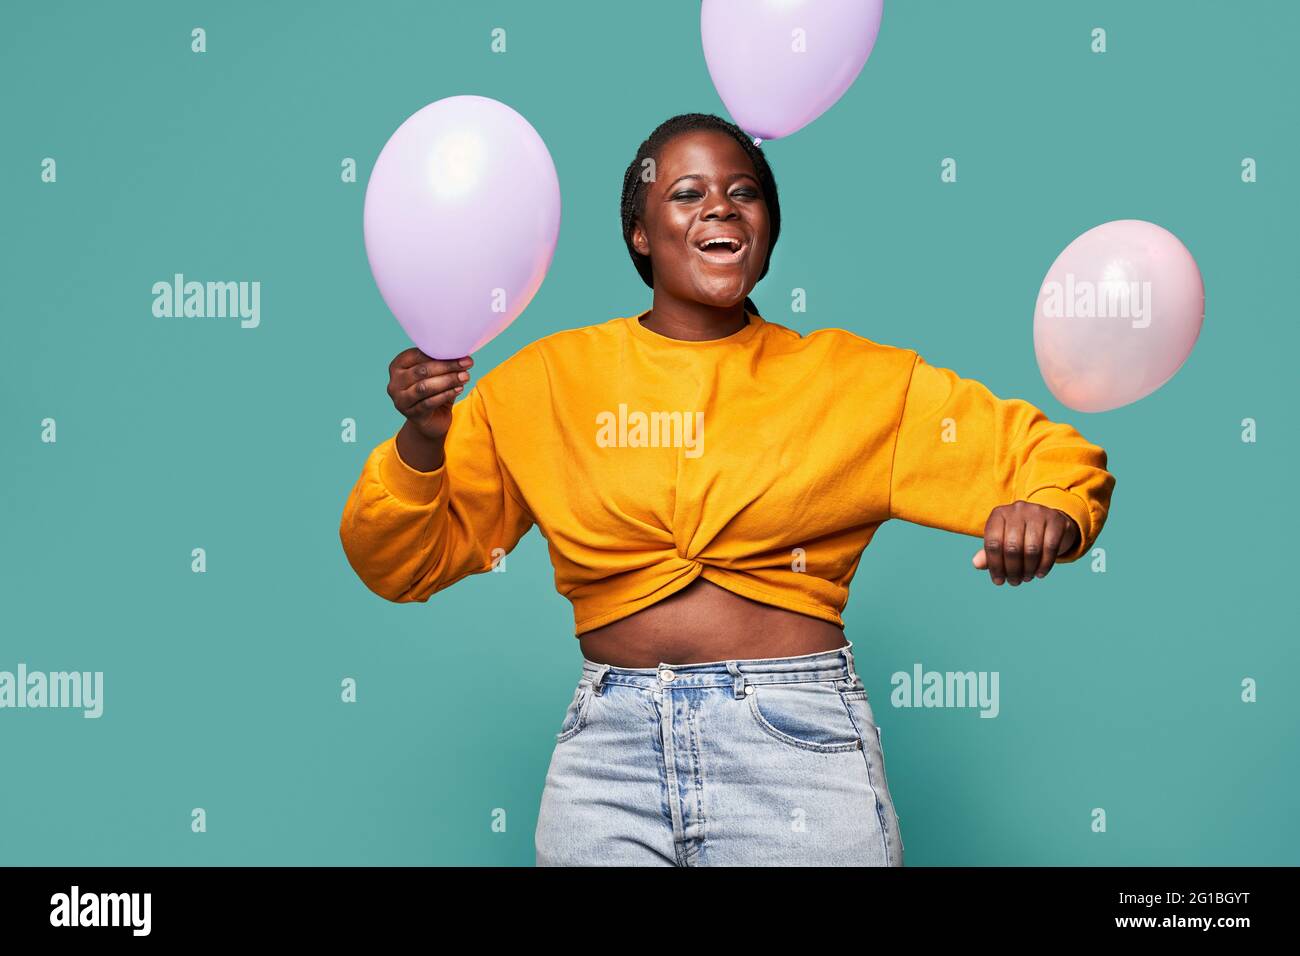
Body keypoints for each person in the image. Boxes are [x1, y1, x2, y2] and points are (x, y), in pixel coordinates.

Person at [339, 112, 1117, 867]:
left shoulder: (855, 381)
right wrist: (422, 441)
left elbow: (1056, 458)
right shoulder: (545, 383)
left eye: (743, 192)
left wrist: (1049, 511)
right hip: (605, 764)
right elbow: (398, 562)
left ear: (767, 229)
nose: (719, 204)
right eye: (686, 193)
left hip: (796, 749)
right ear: (640, 235)